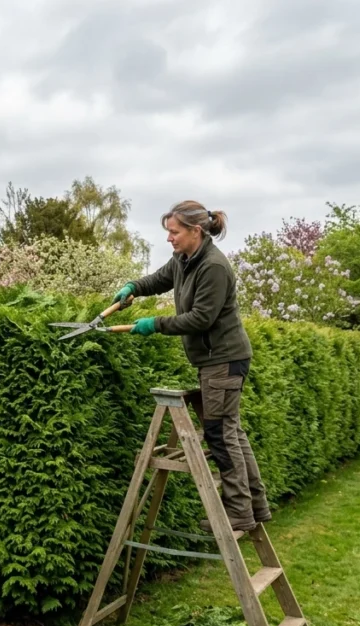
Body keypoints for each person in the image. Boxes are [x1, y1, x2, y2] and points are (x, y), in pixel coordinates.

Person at [114, 200, 270, 533]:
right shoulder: (184, 260)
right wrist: (133, 289)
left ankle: (239, 513)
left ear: (195, 231)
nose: (169, 238)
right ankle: (255, 505)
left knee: (220, 435)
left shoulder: (213, 266)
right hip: (218, 361)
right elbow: (158, 280)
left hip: (223, 360)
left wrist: (154, 324)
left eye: (174, 232)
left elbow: (201, 318)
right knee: (232, 433)